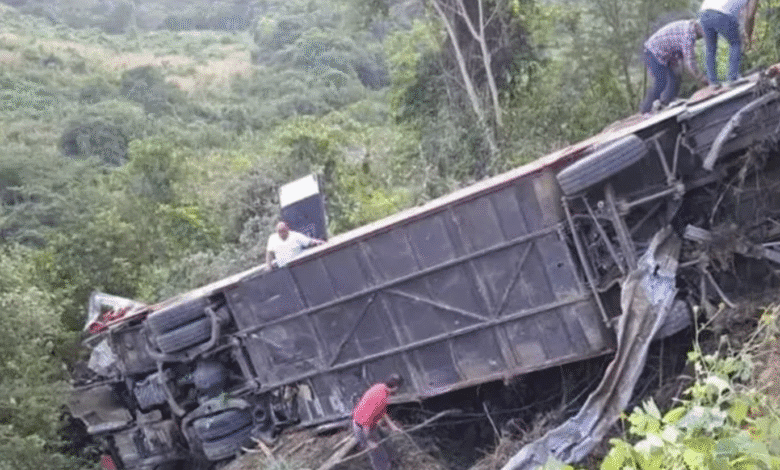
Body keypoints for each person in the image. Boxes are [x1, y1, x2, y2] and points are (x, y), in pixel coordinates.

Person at [640, 19, 708, 114]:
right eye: (700, 36)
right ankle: (646, 110)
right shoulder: (688, 35)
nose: (699, 38)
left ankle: (667, 103)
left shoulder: (687, 27)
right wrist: (702, 78)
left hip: (666, 54)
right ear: (698, 29)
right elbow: (690, 62)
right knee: (661, 81)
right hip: (653, 52)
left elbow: (683, 59)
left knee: (676, 77)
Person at [699, 0, 759, 85]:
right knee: (736, 43)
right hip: (722, 13)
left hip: (704, 12)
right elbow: (749, 16)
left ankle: (712, 82)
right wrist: (748, 36)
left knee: (710, 49)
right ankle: (733, 77)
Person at [351, 374, 403, 470]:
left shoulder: (380, 387)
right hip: (362, 428)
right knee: (378, 455)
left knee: (386, 444)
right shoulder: (380, 399)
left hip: (369, 424)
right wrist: (369, 441)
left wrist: (392, 427)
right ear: (395, 387)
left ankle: (393, 464)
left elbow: (382, 412)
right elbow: (366, 424)